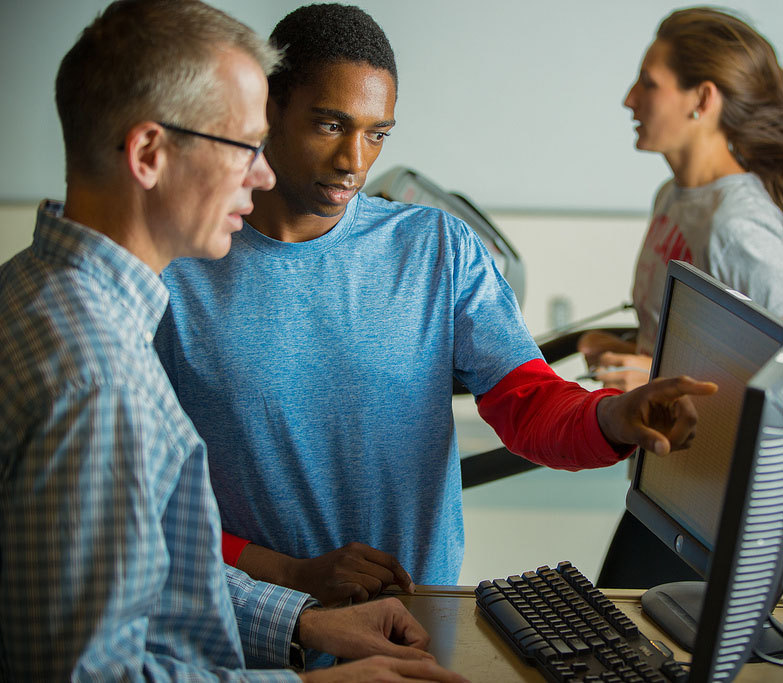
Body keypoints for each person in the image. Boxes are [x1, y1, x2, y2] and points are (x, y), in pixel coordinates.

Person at [155, 2, 716, 607]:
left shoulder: (435, 247)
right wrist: (290, 575)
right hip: (246, 639)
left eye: (377, 134)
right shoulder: (176, 270)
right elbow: (139, 504)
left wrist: (612, 417)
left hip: (414, 627)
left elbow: (527, 402)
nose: (355, 162)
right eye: (328, 125)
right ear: (268, 109)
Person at [0, 1, 467, 681]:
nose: (262, 173)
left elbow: (136, 575)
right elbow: (90, 674)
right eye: (243, 145)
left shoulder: (32, 288)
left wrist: (301, 621)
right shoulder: (98, 381)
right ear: (150, 153)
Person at [578, 6, 783, 392]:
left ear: (702, 100)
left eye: (648, 84)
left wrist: (655, 376)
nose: (629, 99)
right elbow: (706, 351)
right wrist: (631, 351)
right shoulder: (670, 196)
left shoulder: (739, 227)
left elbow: (776, 391)